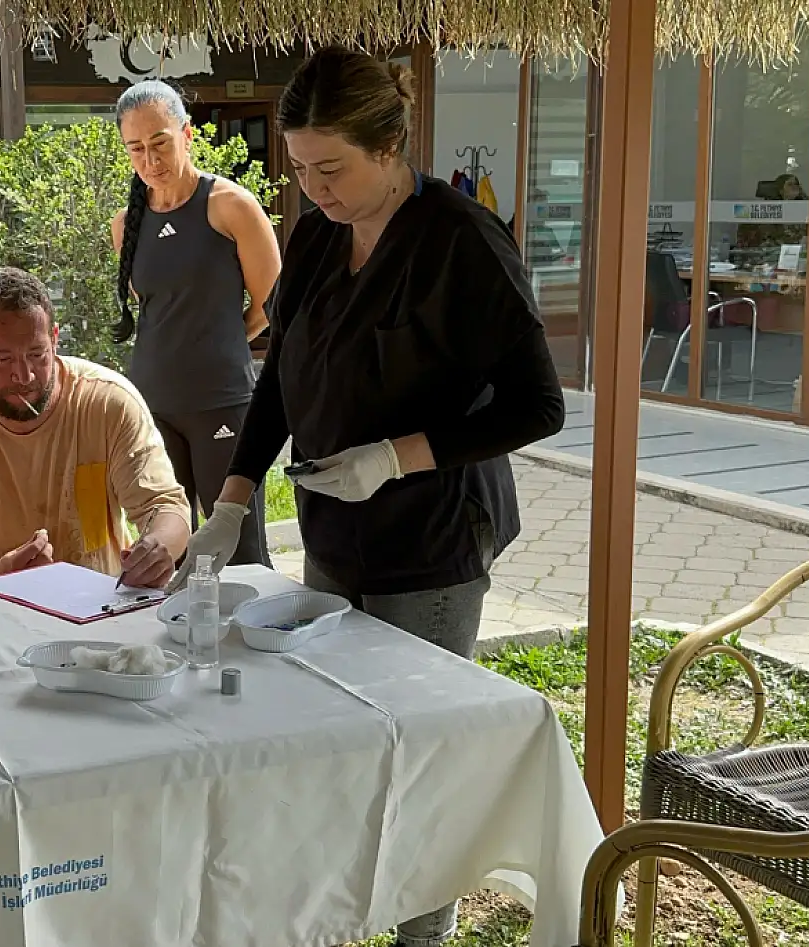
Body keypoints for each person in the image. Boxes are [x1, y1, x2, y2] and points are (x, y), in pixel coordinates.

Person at [172, 49, 564, 947]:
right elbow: (281, 379)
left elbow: (538, 405)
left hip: (429, 541)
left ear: (392, 146)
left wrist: (399, 455)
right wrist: (232, 499)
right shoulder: (313, 236)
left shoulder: (462, 240)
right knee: (342, 742)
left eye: (332, 169)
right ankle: (345, 914)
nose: (314, 190)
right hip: (333, 532)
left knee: (418, 750)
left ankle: (423, 932)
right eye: (301, 170)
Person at [0, 267, 192, 594]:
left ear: (54, 339)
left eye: (37, 354)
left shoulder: (107, 403)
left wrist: (158, 547)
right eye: (2, 358)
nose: (24, 376)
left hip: (100, 604)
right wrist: (0, 578)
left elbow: (166, 506)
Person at [111, 79, 280, 569]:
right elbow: (159, 310)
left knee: (240, 549)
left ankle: (251, 641)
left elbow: (274, 302)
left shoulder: (230, 205)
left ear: (186, 135)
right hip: (153, 405)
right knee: (165, 549)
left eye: (160, 142)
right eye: (136, 148)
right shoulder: (126, 224)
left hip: (221, 402)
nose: (150, 158)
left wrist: (225, 339)